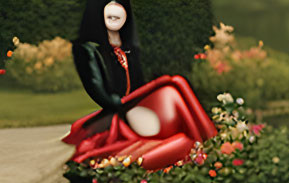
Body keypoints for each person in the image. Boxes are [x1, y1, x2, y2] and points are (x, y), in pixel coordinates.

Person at [64, 0, 216, 172]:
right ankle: (210, 143)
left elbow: (139, 84)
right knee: (172, 88)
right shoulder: (88, 49)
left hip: (136, 105)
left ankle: (205, 143)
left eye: (120, 5)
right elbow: (100, 92)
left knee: (175, 84)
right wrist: (128, 101)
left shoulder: (129, 47)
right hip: (121, 111)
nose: (115, 10)